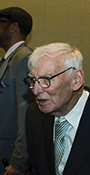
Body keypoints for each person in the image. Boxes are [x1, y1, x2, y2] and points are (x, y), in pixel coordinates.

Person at [23, 42, 90, 175]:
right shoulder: (34, 114)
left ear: (76, 79)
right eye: (33, 80)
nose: (35, 90)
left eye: (46, 79)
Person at [0, 7, 34, 175]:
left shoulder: (24, 59)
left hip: (10, 159)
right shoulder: (8, 60)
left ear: (13, 27)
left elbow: (26, 115)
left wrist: (19, 162)